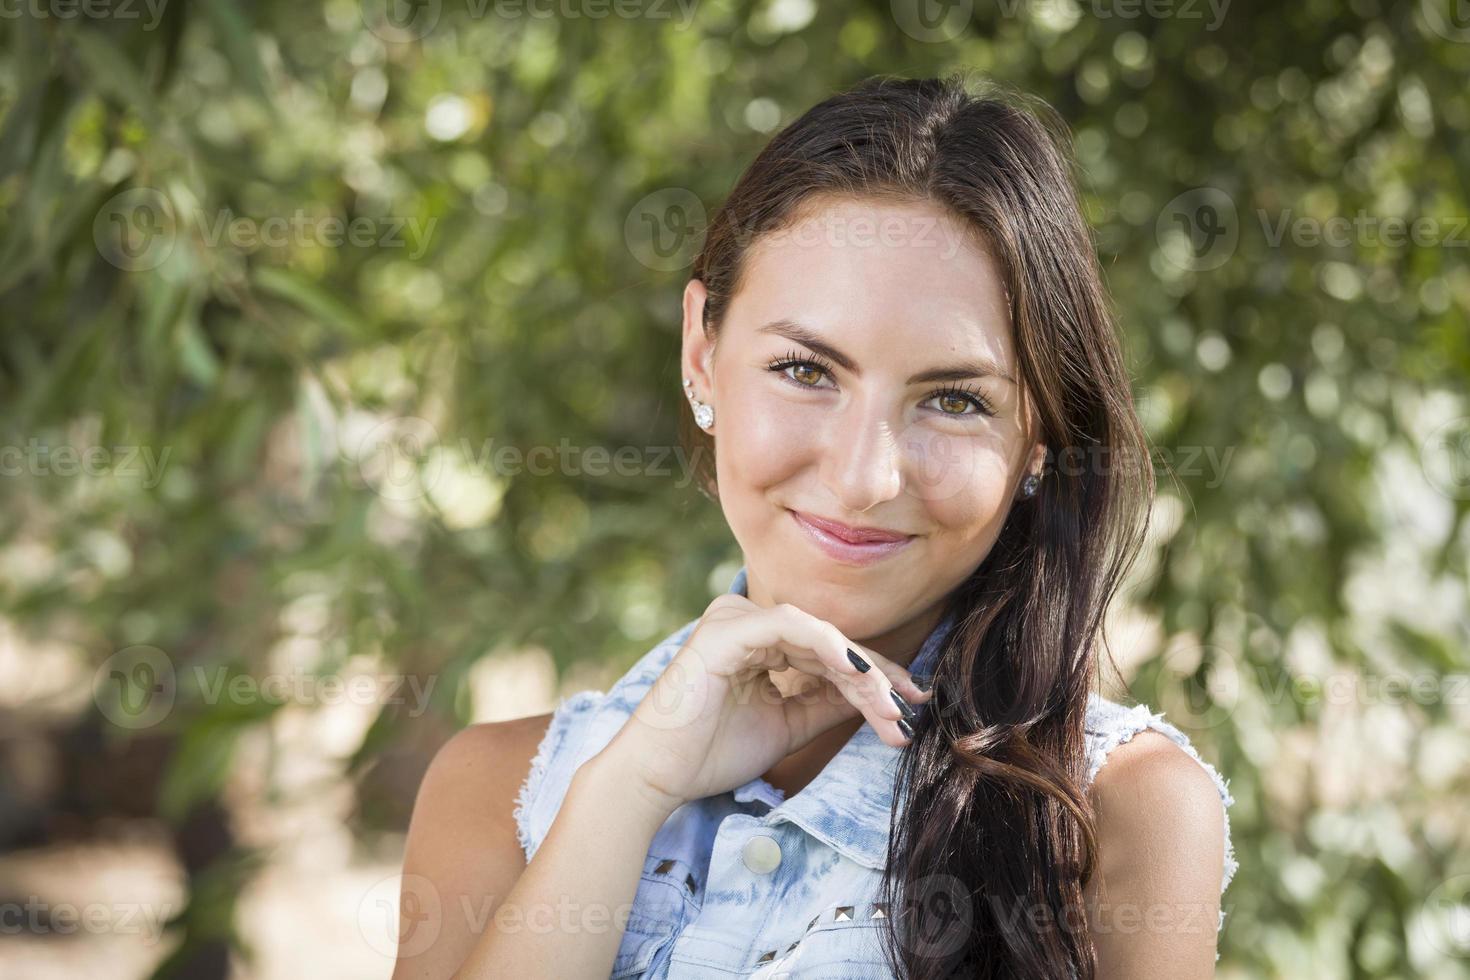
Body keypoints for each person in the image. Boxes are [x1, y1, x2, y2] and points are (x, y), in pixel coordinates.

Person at [392, 72, 1238, 979]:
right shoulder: (497, 792)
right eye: (805, 370)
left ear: (1039, 438)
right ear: (702, 355)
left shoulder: (1117, 815)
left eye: (954, 399)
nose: (863, 476)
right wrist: (628, 794)